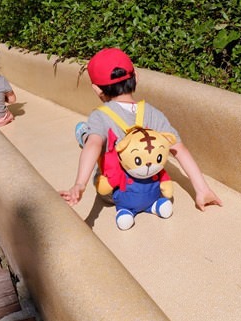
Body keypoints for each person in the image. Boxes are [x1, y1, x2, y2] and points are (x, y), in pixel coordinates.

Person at [59, 48, 222, 228]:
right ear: (135, 76)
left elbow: (94, 146)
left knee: (91, 138)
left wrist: (79, 184)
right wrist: (202, 190)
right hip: (152, 187)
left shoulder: (100, 116)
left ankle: (83, 133)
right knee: (95, 136)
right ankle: (85, 133)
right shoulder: (153, 114)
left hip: (114, 192)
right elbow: (179, 150)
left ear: (96, 89)